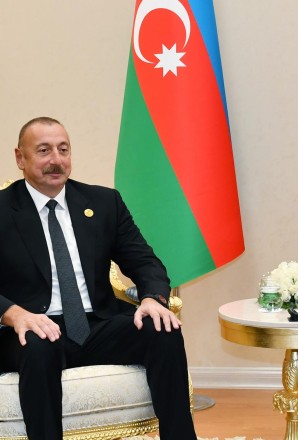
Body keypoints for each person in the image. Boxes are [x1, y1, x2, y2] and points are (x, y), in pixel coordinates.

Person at [0, 117, 197, 440]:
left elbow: (145, 261)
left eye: (63, 149)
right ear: (20, 158)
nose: (56, 160)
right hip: (30, 329)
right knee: (40, 344)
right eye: (44, 150)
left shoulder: (104, 203)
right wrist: (14, 314)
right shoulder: (3, 209)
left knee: (162, 329)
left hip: (96, 324)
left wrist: (151, 298)